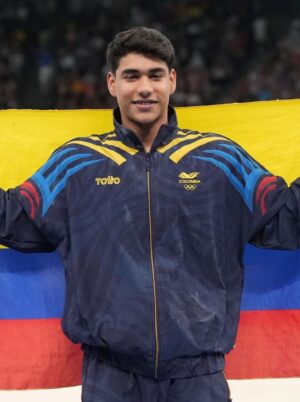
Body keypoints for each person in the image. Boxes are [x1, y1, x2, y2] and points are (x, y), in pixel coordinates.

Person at [0, 26, 300, 402]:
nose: (144, 87)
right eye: (131, 76)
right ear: (112, 83)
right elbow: (15, 219)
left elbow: (286, 219)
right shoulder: (76, 162)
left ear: (172, 81)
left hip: (198, 375)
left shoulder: (219, 158)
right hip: (110, 376)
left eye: (155, 75)